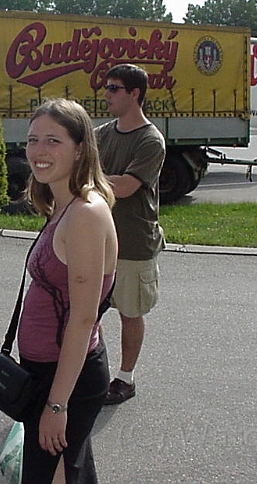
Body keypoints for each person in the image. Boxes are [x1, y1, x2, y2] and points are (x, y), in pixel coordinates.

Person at [17, 98, 118, 484]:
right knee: (68, 474)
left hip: (63, 378)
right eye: (33, 140)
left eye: (53, 141)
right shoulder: (63, 205)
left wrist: (57, 404)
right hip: (49, 370)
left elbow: (85, 316)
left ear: (80, 149)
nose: (39, 152)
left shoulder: (85, 214)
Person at [95, 64, 166, 405]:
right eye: (106, 87)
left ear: (134, 93)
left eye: (113, 88)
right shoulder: (103, 133)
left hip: (133, 243)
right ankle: (94, 372)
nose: (106, 94)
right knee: (89, 312)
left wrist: (89, 178)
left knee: (130, 312)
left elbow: (124, 187)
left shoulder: (151, 140)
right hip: (96, 241)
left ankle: (125, 378)